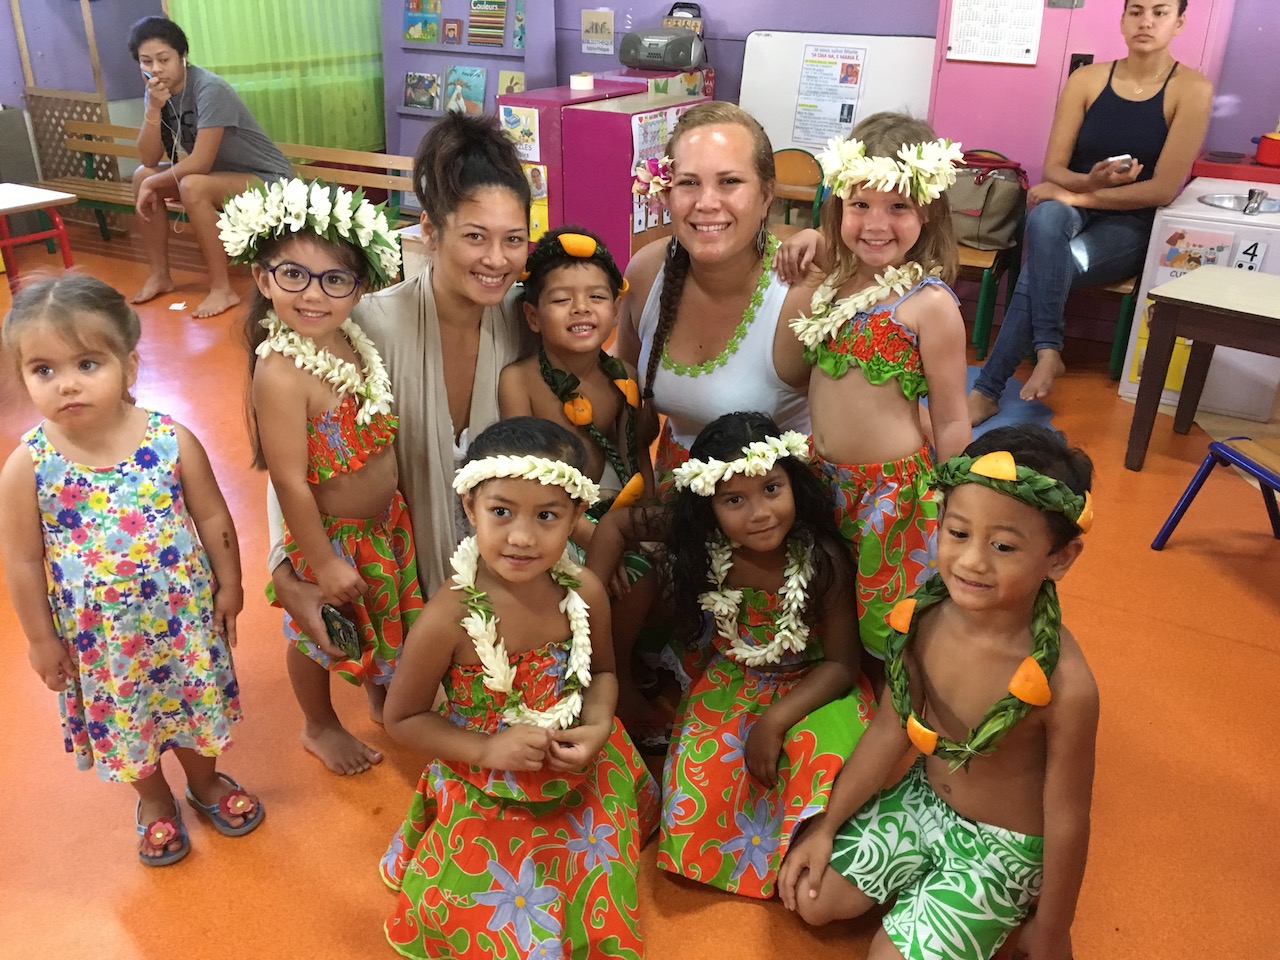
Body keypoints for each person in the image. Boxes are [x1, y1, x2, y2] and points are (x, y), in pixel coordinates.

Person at [779, 424, 1098, 960]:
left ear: (1060, 558)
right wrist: (827, 827)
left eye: (1002, 545)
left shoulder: (1067, 686)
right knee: (810, 897)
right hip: (922, 803)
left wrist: (1053, 927)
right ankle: (925, 892)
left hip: (1002, 847)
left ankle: (991, 904)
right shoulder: (922, 620)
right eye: (957, 533)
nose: (972, 561)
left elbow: (1068, 815)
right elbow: (889, 730)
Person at [0, 275, 262, 867]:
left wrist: (231, 583)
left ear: (129, 365)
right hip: (102, 643)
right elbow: (21, 559)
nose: (66, 383)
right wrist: (41, 641)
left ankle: (205, 782)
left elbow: (214, 514)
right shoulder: (29, 466)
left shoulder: (170, 440)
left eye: (87, 363)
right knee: (126, 719)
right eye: (43, 370)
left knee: (193, 705)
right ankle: (155, 802)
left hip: (182, 622)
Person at [379, 417, 659, 959]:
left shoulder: (585, 589)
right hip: (485, 775)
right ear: (470, 509)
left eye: (547, 516)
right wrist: (488, 749)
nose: (522, 537)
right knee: (496, 904)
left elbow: (602, 673)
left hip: (576, 760)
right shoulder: (448, 618)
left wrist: (599, 725)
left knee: (593, 868)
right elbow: (403, 718)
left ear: (577, 517)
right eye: (501, 512)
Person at [268, 112, 532, 646]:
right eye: (476, 237)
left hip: (507, 577)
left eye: (515, 240)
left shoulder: (523, 319)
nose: (496, 260)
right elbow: (293, 457)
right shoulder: (369, 325)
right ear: (430, 232)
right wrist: (285, 569)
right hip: (401, 589)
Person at [588, 412, 875, 899]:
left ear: (793, 485)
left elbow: (842, 665)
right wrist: (587, 604)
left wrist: (775, 722)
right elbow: (616, 522)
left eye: (771, 489)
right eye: (734, 500)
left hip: (815, 686)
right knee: (700, 786)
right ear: (708, 505)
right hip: (731, 677)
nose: (759, 512)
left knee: (806, 755)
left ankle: (804, 849)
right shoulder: (700, 537)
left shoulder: (821, 558)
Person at [222, 177, 421, 776]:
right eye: (294, 276)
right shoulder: (280, 372)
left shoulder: (355, 343)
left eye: (335, 279)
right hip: (327, 536)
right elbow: (289, 482)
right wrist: (323, 561)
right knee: (318, 635)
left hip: (385, 525)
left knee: (380, 620)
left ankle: (379, 689)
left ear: (359, 288)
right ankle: (319, 722)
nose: (314, 295)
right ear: (263, 278)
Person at [782, 112, 970, 668]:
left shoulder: (928, 305)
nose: (875, 223)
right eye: (859, 205)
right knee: (828, 604)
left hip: (892, 498)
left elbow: (954, 416)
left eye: (898, 207)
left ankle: (898, 718)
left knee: (891, 620)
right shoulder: (832, 281)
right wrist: (812, 235)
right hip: (822, 481)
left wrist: (958, 505)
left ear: (928, 212)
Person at [967, 0, 1213, 423]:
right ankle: (1048, 350)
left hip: (1130, 225)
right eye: (1136, 11)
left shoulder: (1192, 90)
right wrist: (1089, 183)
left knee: (1039, 264)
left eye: (1160, 12)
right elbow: (1056, 170)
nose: (1146, 21)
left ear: (1179, 23)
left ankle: (990, 387)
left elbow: (1160, 189)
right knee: (1046, 220)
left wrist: (1077, 197)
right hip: (1071, 211)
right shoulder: (1088, 79)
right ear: (1122, 20)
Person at [616, 102, 814, 495]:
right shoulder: (645, 273)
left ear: (766, 195)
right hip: (674, 507)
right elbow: (624, 401)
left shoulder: (802, 294)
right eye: (689, 182)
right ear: (667, 192)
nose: (706, 202)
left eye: (729, 182)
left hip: (772, 522)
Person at [126, 16, 293, 318]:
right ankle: (160, 275)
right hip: (218, 177)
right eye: (146, 61)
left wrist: (155, 184)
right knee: (142, 176)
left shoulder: (210, 89)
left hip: (268, 180)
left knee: (192, 185)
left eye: (164, 59)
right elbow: (148, 159)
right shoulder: (155, 93)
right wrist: (153, 108)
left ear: (182, 57)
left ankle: (222, 289)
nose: (156, 68)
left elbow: (200, 161)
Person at [499, 225, 651, 516]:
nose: (581, 308)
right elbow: (524, 477)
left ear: (617, 311)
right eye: (561, 300)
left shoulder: (624, 378)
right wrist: (594, 540)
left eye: (596, 297)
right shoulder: (518, 381)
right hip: (545, 516)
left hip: (610, 507)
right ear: (533, 316)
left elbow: (635, 459)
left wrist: (648, 522)